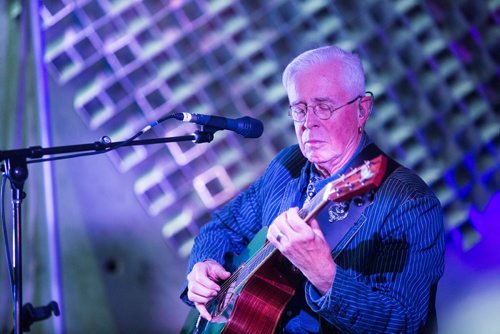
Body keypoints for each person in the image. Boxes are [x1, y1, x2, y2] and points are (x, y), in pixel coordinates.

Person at [181, 45, 445, 333]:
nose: (309, 123)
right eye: (300, 109)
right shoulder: (289, 164)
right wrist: (204, 264)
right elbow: (223, 227)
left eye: (324, 107)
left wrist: (325, 276)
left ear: (361, 110)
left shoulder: (408, 201)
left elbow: (404, 323)